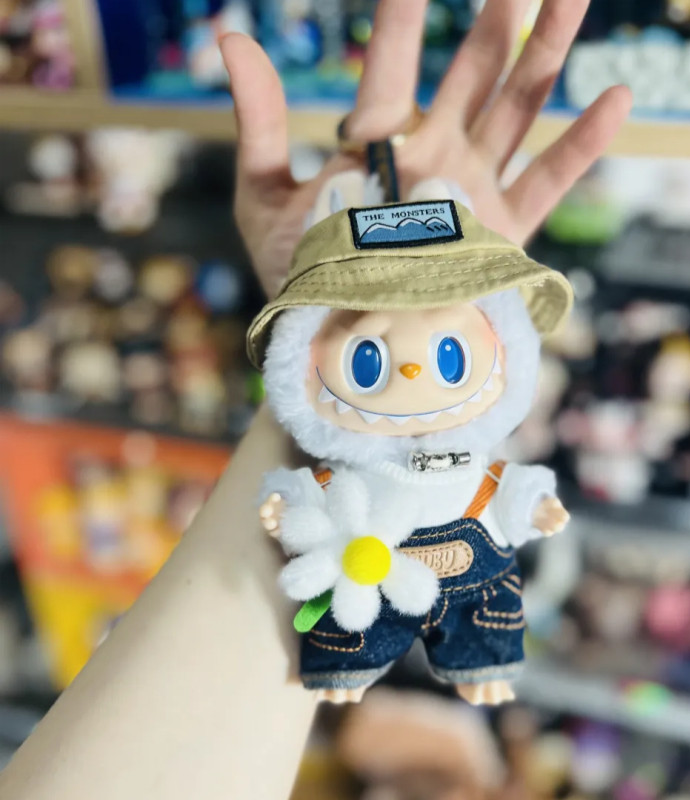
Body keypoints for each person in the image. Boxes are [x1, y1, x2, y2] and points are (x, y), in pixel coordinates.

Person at [0, 2, 630, 798]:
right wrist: (290, 496)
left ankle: (478, 662)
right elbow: (314, 495)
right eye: (367, 355)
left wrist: (530, 502)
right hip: (367, 561)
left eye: (448, 354)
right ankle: (353, 665)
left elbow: (505, 486)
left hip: (457, 555)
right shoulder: (334, 436)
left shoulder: (471, 438)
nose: (414, 373)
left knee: (482, 611)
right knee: (349, 619)